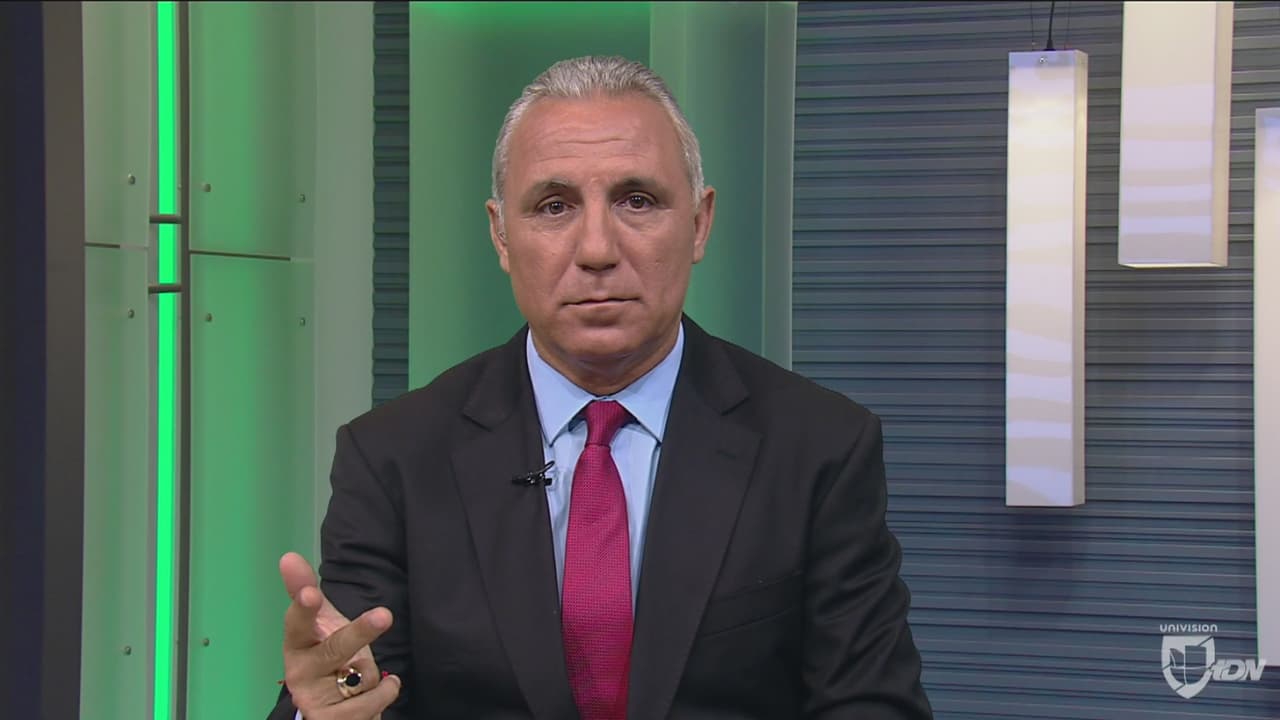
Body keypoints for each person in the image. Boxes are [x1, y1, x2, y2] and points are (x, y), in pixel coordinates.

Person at [269, 55, 933, 720]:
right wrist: (320, 712)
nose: (596, 250)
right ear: (501, 235)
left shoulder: (818, 447)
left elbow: (872, 705)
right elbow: (347, 683)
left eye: (636, 201)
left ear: (699, 223)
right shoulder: (394, 458)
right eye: (554, 206)